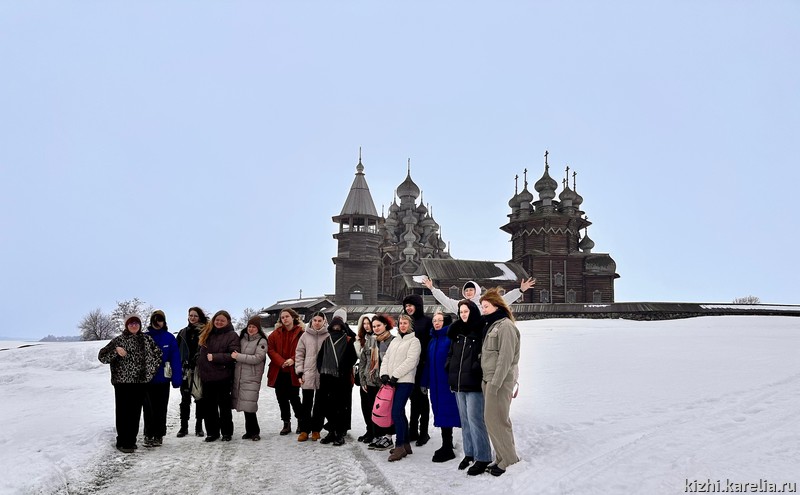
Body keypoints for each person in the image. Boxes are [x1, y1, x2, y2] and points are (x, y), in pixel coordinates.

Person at [98, 314, 162, 454]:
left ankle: (131, 441)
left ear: (140, 325)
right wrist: (115, 351)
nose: (134, 326)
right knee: (123, 412)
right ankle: (122, 441)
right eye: (131, 323)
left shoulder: (146, 339)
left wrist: (150, 371)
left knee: (135, 413)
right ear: (127, 325)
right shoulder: (119, 340)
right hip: (122, 383)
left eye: (136, 323)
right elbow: (102, 357)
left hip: (140, 383)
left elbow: (158, 355)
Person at [446, 300, 493, 475]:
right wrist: (449, 365)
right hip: (458, 382)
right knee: (464, 420)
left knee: (475, 420)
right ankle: (470, 453)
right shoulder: (456, 330)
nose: (463, 314)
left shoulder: (481, 329)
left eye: (466, 311)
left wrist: (476, 367)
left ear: (472, 311)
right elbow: (451, 353)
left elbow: (485, 354)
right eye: (461, 312)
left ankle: (483, 457)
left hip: (473, 382)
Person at [480, 288, 522, 476]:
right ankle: (501, 457)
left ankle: (510, 460)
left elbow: (505, 358)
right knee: (492, 421)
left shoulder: (505, 327)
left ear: (496, 306)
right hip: (489, 380)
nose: (483, 310)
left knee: (499, 421)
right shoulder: (492, 325)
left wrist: (495, 385)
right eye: (482, 307)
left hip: (499, 382)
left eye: (486, 306)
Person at [380, 314, 421, 462]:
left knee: (396, 412)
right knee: (400, 412)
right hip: (392, 381)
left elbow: (411, 361)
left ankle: (399, 446)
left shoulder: (414, 341)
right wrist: (384, 374)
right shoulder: (395, 340)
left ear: (410, 325)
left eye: (405, 323)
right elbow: (386, 358)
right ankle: (405, 444)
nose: (402, 326)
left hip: (405, 381)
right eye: (401, 323)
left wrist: (395, 375)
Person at [421, 311, 460, 463]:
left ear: (446, 322)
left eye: (439, 320)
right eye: (434, 321)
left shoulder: (450, 339)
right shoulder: (433, 341)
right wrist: (424, 382)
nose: (436, 323)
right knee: (440, 412)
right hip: (436, 385)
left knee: (447, 413)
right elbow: (428, 364)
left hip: (447, 384)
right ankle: (446, 444)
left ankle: (448, 446)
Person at [197, 310, 240, 442]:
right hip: (207, 377)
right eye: (217, 320)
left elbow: (234, 355)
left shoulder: (232, 335)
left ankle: (226, 432)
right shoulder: (207, 333)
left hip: (223, 376)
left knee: (224, 406)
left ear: (228, 322)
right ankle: (212, 433)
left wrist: (215, 357)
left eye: (222, 320)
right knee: (209, 407)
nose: (219, 322)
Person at [143, 310, 182, 447]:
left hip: (163, 380)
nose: (157, 322)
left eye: (160, 319)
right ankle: (148, 434)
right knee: (148, 408)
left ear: (164, 322)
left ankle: (158, 435)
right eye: (154, 319)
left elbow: (175, 359)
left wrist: (177, 378)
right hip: (147, 380)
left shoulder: (169, 338)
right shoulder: (145, 337)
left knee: (161, 408)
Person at [315, 315, 357, 446]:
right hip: (326, 377)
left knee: (341, 407)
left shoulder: (348, 340)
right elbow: (320, 358)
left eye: (339, 326)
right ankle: (331, 431)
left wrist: (342, 369)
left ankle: (340, 433)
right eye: (334, 326)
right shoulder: (326, 340)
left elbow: (353, 358)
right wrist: (322, 370)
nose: (336, 328)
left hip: (342, 378)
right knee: (328, 406)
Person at [361, 314, 396, 451]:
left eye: (378, 325)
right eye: (374, 326)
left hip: (386, 383)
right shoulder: (370, 341)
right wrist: (363, 379)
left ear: (385, 325)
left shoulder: (393, 341)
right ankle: (378, 435)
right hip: (371, 381)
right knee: (374, 410)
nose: (375, 328)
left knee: (386, 410)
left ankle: (388, 437)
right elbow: (363, 361)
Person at [402, 294, 432, 446]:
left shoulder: (426, 321)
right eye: (406, 306)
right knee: (413, 398)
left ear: (418, 306)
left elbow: (430, 342)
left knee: (422, 399)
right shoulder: (405, 322)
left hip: (422, 365)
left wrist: (426, 361)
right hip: (409, 366)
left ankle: (424, 432)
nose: (408, 308)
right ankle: (413, 429)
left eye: (411, 305)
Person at [267, 308, 303, 435]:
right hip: (279, 370)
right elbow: (270, 349)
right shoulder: (275, 334)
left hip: (294, 370)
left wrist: (293, 359)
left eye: (287, 316)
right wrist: (281, 361)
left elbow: (304, 349)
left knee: (294, 398)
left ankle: (301, 421)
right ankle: (286, 423)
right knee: (281, 398)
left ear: (293, 317)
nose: (285, 319)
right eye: (282, 317)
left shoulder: (301, 333)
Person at [232, 316, 268, 441]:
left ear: (258, 329)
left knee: (250, 405)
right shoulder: (242, 339)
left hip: (252, 377)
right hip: (240, 376)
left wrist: (238, 356)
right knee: (245, 404)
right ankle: (249, 431)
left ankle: (255, 432)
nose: (251, 329)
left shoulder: (261, 341)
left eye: (254, 327)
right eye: (249, 327)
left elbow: (257, 358)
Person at [294, 311, 329, 442]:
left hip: (322, 375)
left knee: (320, 404)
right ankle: (304, 430)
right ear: (311, 321)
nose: (317, 323)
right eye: (315, 320)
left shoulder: (328, 335)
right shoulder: (305, 335)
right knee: (306, 404)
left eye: (320, 320)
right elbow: (299, 354)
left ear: (324, 321)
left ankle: (316, 429)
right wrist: (299, 372)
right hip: (307, 374)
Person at [422, 277, 536, 315]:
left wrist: (520, 290)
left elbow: (504, 299)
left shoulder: (485, 302)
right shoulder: (461, 304)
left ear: (476, 290)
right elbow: (445, 300)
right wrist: (432, 289)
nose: (468, 292)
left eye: (471, 290)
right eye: (466, 290)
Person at [176, 307, 208, 437]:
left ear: (200, 317)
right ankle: (183, 427)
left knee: (200, 398)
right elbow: (176, 351)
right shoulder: (182, 333)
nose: (193, 318)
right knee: (185, 399)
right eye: (191, 315)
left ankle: (199, 426)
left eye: (195, 315)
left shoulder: (206, 331)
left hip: (199, 369)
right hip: (185, 369)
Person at [354, 312, 376, 443]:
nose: (367, 326)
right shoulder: (362, 338)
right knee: (365, 406)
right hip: (363, 377)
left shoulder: (377, 338)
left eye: (369, 323)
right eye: (364, 324)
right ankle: (369, 430)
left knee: (374, 406)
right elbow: (360, 357)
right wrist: (358, 342)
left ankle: (375, 431)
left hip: (374, 378)